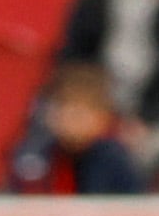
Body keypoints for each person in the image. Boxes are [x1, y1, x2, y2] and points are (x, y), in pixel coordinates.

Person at [8, 63, 147, 193]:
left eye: (80, 113)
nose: (71, 120)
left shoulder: (114, 160)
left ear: (102, 117)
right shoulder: (37, 153)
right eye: (65, 110)